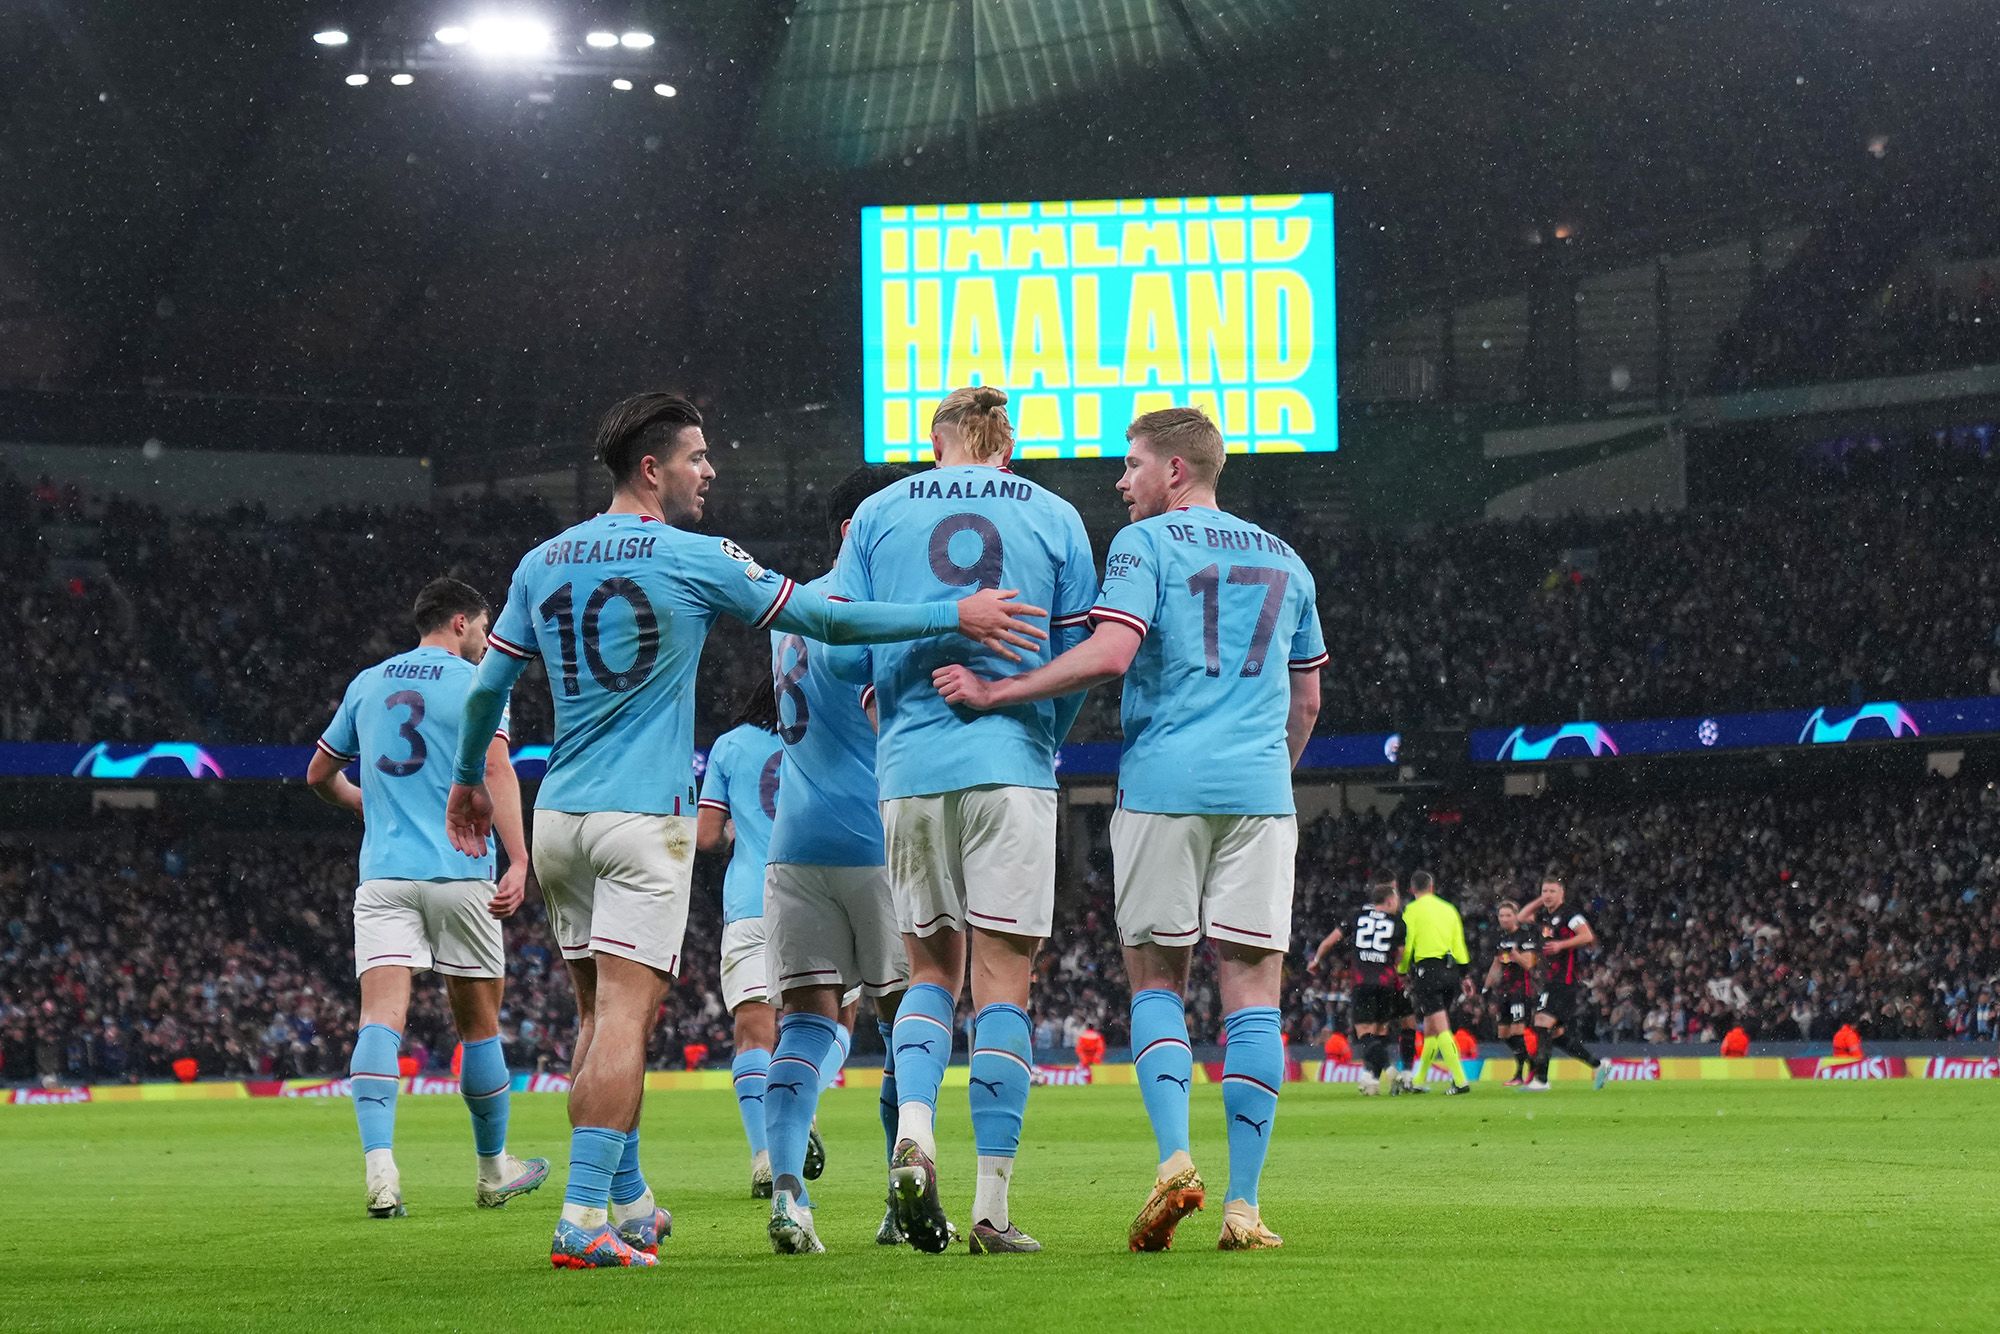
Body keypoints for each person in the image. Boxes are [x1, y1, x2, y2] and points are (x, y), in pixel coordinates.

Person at [443, 392, 1049, 1270]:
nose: (710, 470)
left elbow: (487, 690)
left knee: (593, 1012)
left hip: (562, 813)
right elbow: (832, 619)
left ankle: (627, 1195)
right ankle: (581, 1216)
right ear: (651, 470)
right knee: (625, 1014)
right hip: (642, 815)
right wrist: (949, 615)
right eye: (696, 457)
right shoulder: (694, 557)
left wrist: (468, 783)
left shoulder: (542, 560)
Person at [935, 405, 1324, 1253]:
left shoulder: (1144, 546)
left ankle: (1175, 1159)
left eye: (1132, 465)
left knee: (1157, 983)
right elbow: (1308, 702)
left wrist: (999, 692)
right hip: (1262, 793)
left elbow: (1111, 655)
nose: (1120, 482)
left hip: (1163, 787)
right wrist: (1266, 773)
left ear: (1174, 472)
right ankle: (1244, 1207)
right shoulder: (1288, 560)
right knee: (1254, 992)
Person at [830, 385, 1098, 1256]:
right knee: (1004, 982)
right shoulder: (1056, 515)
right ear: (1006, 448)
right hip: (1011, 767)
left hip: (909, 771)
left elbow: (836, 646)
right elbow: (1080, 657)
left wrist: (890, 691)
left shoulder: (877, 512)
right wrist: (1037, 738)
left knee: (929, 973)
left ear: (935, 443)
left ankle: (914, 1129)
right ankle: (989, 1209)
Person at [306, 576, 549, 1219]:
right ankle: (494, 1168)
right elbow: (495, 770)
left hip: (384, 877)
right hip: (459, 873)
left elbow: (319, 774)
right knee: (479, 1026)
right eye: (485, 627)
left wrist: (367, 802)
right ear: (464, 622)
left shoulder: (367, 683)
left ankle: (381, 1171)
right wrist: (521, 859)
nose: (487, 640)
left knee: (380, 1019)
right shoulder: (481, 682)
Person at [758, 464, 917, 1256]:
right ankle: (901, 1198)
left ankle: (788, 1190)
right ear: (860, 527)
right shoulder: (864, 612)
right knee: (904, 1022)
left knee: (805, 1024)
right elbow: (889, 711)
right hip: (874, 843)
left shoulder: (790, 612)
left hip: (794, 847)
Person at [695, 675, 808, 1200]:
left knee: (752, 1031)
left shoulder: (730, 745)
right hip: (811, 891)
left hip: (749, 899)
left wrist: (737, 831)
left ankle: (765, 1154)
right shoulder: (816, 736)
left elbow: (706, 836)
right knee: (825, 1020)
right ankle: (796, 1112)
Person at [1309, 876, 1404, 1096]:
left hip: (1362, 982)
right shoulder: (1397, 922)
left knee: (1365, 1034)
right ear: (1389, 901)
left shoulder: (1357, 916)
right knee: (1380, 1032)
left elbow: (1329, 942)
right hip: (1386, 983)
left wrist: (1316, 960)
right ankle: (1371, 1080)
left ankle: (1389, 1070)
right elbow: (1400, 956)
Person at [1518, 877, 1610, 1091]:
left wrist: (1562, 945)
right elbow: (1521, 916)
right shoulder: (1545, 917)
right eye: (1544, 891)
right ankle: (1598, 1065)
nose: (1548, 894)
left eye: (1552, 891)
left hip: (1564, 981)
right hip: (1551, 981)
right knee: (1556, 1034)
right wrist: (1540, 900)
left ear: (1562, 894)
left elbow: (1587, 936)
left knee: (1541, 1022)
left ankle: (1541, 1080)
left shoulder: (1570, 914)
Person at [1398, 871, 1472, 1096]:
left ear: (1412, 890)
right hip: (1450, 971)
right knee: (1431, 1027)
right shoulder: (1449, 909)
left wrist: (1402, 970)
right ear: (1432, 887)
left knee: (1441, 1027)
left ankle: (1460, 1081)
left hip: (1427, 971)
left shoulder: (1411, 911)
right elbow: (1459, 944)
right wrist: (1465, 974)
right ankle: (1419, 1081)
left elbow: (1408, 944)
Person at [1485, 899, 1538, 1085]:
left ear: (1516, 916)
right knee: (1503, 1034)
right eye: (1501, 916)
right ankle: (1532, 1064)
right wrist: (1486, 987)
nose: (1504, 919)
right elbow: (1496, 965)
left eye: (1508, 915)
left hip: (1520, 991)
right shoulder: (1500, 938)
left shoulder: (1525, 936)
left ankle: (1519, 1074)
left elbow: (1530, 964)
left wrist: (1516, 956)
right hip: (1504, 991)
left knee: (1517, 1031)